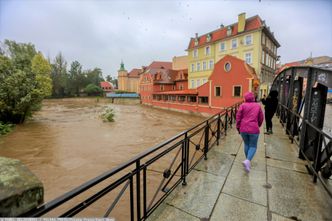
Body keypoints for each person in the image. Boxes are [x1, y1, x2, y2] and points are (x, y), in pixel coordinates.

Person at [236, 92, 264, 173]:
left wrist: (238, 127)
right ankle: (248, 160)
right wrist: (257, 125)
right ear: (253, 98)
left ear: (245, 98)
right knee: (253, 146)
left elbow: (238, 117)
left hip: (243, 129)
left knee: (246, 144)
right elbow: (261, 118)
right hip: (254, 129)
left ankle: (247, 161)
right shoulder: (257, 106)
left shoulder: (242, 105)